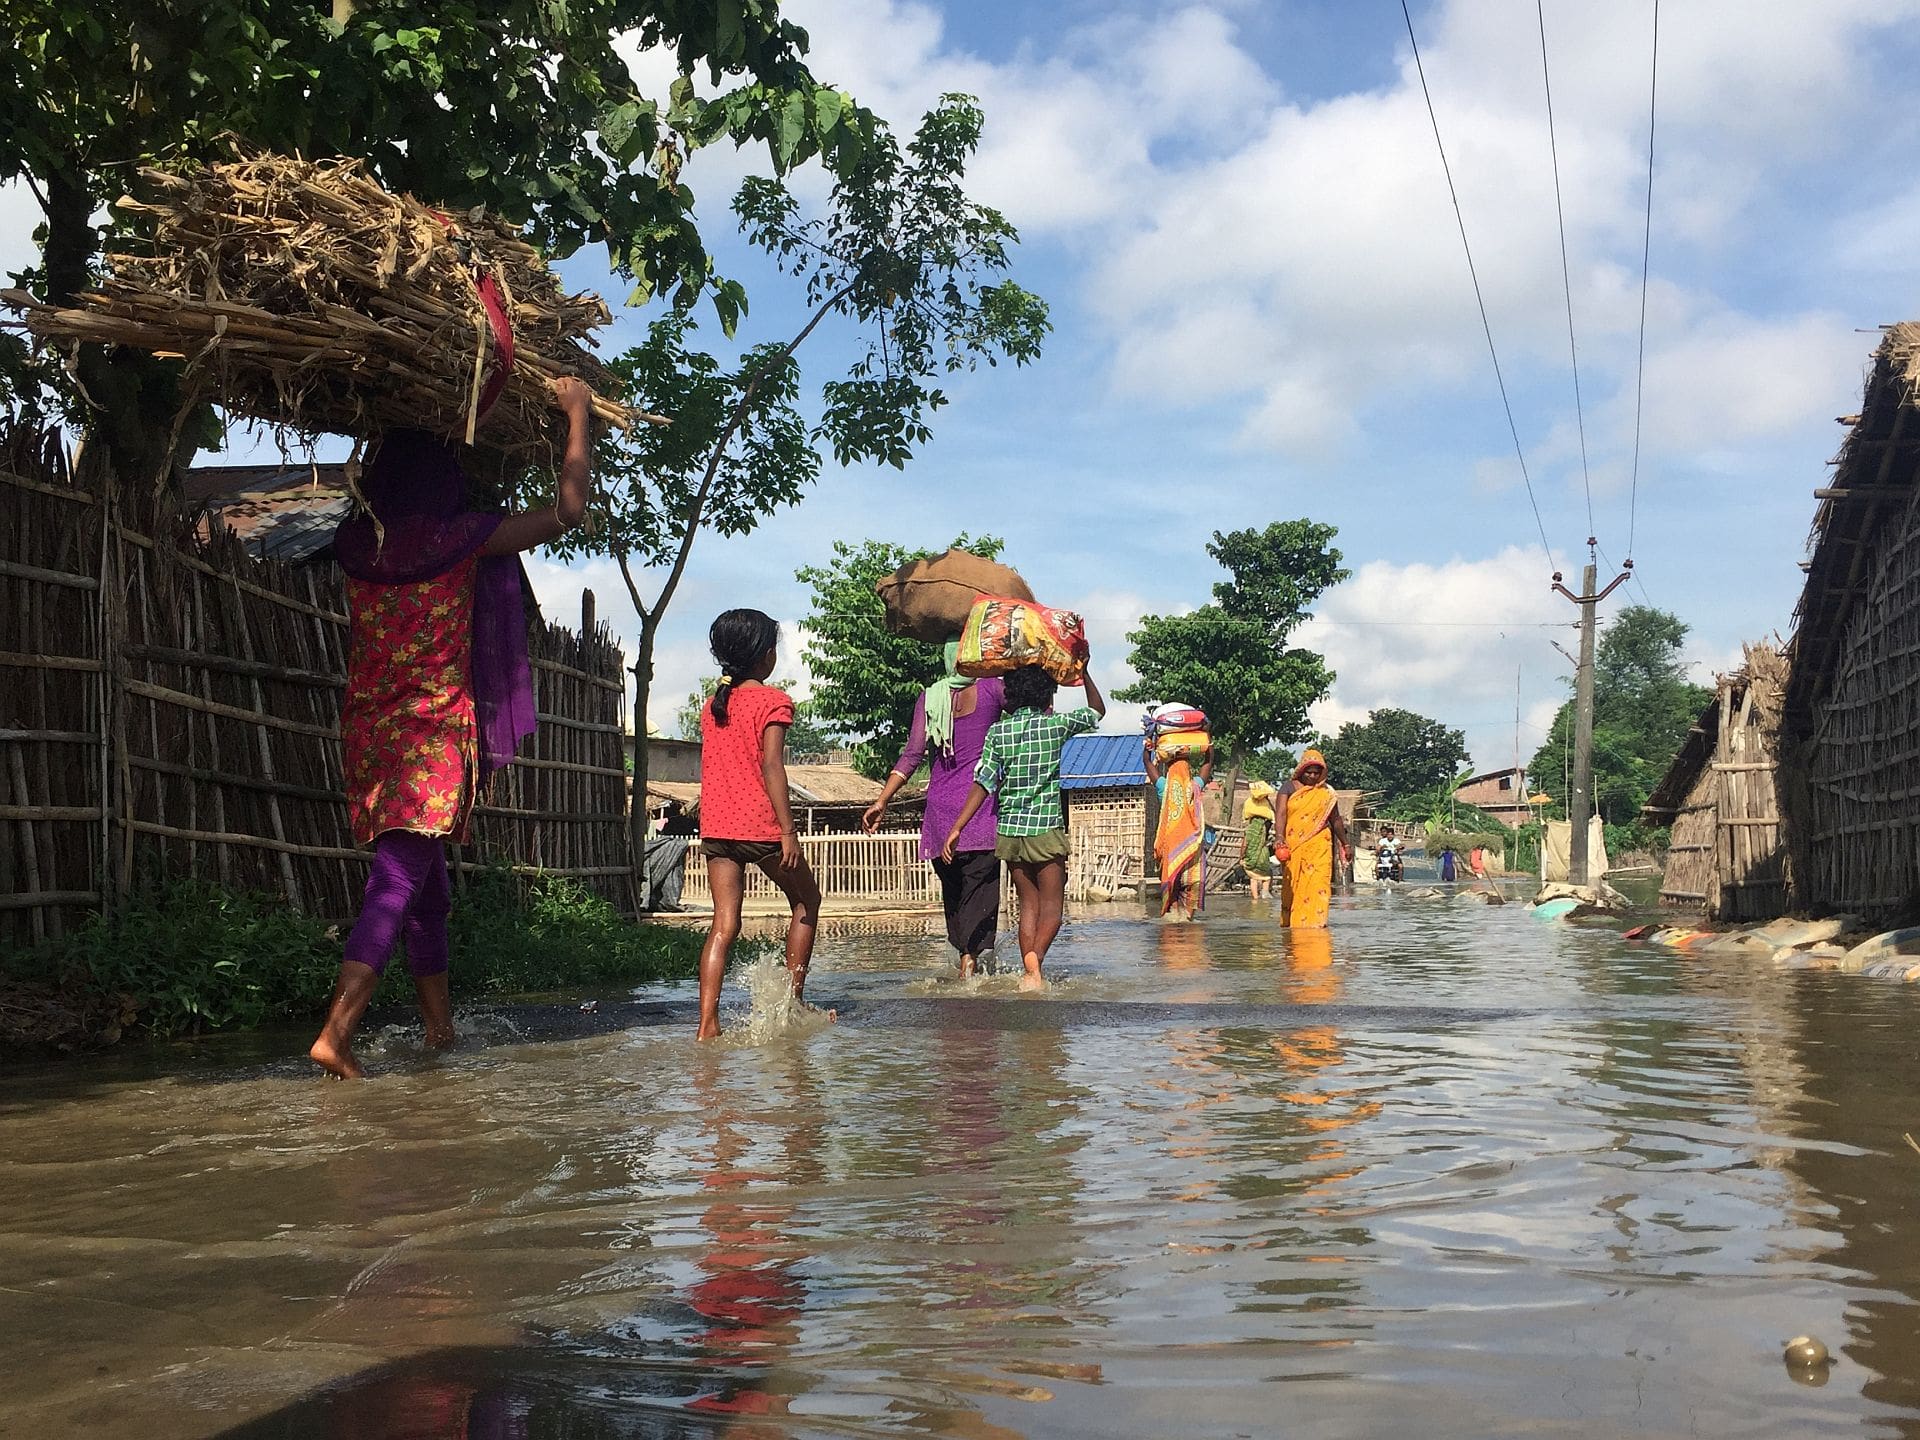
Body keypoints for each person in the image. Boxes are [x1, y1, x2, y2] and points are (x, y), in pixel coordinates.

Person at [308, 377, 595, 1079]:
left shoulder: (354, 543)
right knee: (398, 879)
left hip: (373, 733)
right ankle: (336, 1034)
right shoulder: (457, 537)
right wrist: (578, 415)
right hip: (432, 735)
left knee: (426, 890)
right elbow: (569, 510)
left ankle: (440, 1031)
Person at [695, 609, 826, 1040]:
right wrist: (788, 831)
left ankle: (707, 1024)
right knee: (807, 901)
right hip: (760, 828)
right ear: (766, 655)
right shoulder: (773, 700)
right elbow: (772, 767)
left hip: (717, 828)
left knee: (724, 925)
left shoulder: (712, 705)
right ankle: (792, 1004)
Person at [944, 664, 1105, 991]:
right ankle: (1034, 961)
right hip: (1045, 829)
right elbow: (1096, 712)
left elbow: (983, 782)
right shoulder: (1055, 725)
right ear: (1047, 694)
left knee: (1028, 907)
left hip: (1011, 832)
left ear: (1012, 695)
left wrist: (957, 827)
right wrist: (1085, 673)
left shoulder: (998, 733)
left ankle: (1031, 973)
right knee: (1052, 911)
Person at [862, 642, 1007, 978]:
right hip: (980, 811)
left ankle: (961, 959)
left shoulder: (930, 697)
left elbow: (910, 757)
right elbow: (1034, 714)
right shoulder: (992, 688)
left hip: (941, 817)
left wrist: (882, 800)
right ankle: (975, 963)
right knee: (981, 894)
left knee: (954, 894)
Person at [1275, 749, 1351, 930]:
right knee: (1292, 884)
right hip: (1293, 845)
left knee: (1318, 883)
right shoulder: (1288, 787)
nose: (1312, 776)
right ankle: (1293, 925)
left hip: (1320, 844)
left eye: (1317, 772)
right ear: (1301, 769)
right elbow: (1281, 813)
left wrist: (1345, 843)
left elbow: (1336, 820)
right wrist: (1279, 836)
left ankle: (1315, 924)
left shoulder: (1327, 793)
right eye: (1309, 771)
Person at [1144, 737, 1213, 920]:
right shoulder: (1194, 786)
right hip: (1192, 846)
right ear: (1189, 771)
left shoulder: (1164, 786)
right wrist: (1208, 743)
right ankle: (1187, 918)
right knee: (1192, 883)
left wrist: (1147, 749)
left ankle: (1174, 917)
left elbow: (1147, 763)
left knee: (1172, 882)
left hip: (1171, 847)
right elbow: (1208, 763)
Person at [1242, 780, 1277, 901]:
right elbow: (1274, 815)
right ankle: (1265, 893)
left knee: (1253, 877)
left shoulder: (1251, 828)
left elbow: (1245, 843)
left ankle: (1255, 899)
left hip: (1252, 854)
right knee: (1266, 875)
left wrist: (1241, 856)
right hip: (1262, 852)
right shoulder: (1264, 823)